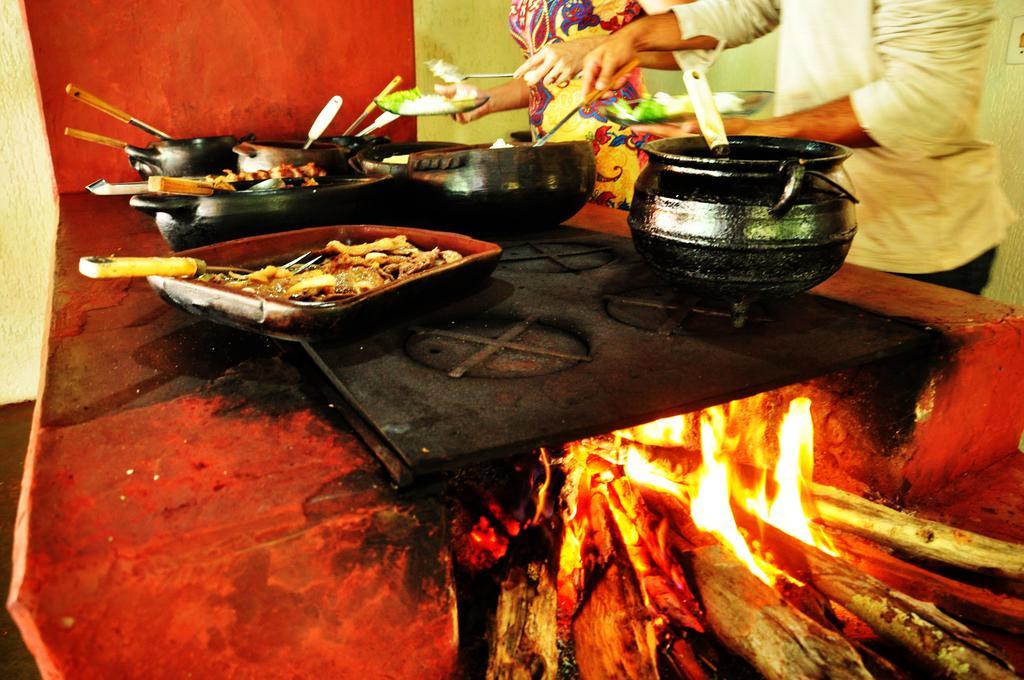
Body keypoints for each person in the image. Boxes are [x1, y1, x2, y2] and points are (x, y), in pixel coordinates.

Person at [578, 0, 1015, 295]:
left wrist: (760, 133)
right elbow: (748, 7)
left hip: (911, 239)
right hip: (817, 217)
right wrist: (635, 36)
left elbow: (925, 103)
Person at [438, 1, 685, 209]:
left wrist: (594, 47)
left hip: (616, 144)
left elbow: (692, 37)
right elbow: (549, 78)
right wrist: (486, 100)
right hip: (554, 155)